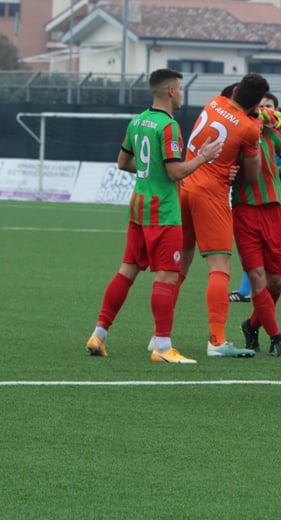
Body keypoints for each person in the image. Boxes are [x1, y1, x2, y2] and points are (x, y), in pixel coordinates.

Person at [85, 68, 224, 363]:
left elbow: (123, 162)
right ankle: (162, 346)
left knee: (127, 271)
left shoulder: (137, 121)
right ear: (172, 91)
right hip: (163, 211)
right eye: (181, 89)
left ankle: (99, 333)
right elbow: (175, 171)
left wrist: (153, 170)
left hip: (139, 207)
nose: (182, 94)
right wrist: (203, 157)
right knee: (167, 275)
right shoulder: (168, 127)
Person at [179, 73, 269, 358]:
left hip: (184, 184)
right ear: (257, 103)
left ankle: (160, 337)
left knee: (176, 267)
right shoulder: (249, 128)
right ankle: (216, 341)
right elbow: (253, 175)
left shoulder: (214, 102)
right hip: (211, 195)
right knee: (220, 266)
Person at [230, 93, 281, 305]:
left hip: (278, 190)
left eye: (269, 106)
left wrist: (271, 169)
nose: (264, 110)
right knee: (256, 245)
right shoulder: (251, 130)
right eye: (261, 105)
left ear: (276, 108)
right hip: (255, 193)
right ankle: (245, 291)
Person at [232, 101, 281, 357]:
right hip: (245, 211)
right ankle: (277, 337)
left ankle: (252, 324)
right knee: (257, 277)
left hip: (275, 210)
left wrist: (264, 117)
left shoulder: (268, 128)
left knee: (276, 281)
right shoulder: (233, 132)